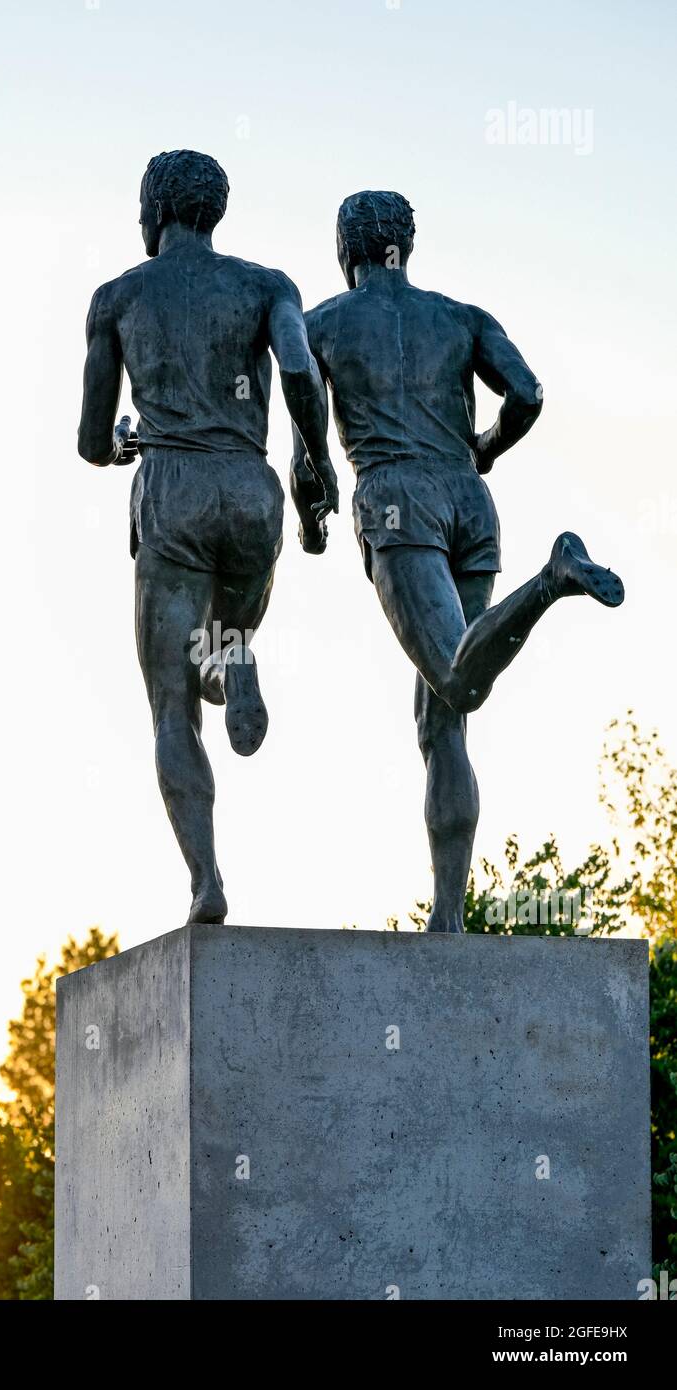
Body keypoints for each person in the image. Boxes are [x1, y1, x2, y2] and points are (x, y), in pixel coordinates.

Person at [293, 189, 623, 932]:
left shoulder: (321, 325)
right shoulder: (461, 317)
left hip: (395, 499)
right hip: (470, 501)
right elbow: (529, 394)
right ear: (403, 247)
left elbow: (309, 435)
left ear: (346, 251)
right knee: (442, 723)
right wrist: (485, 450)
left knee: (456, 681)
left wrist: (311, 502)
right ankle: (449, 917)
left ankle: (552, 579)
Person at [78, 150, 337, 924]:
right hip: (251, 493)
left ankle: (206, 881)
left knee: (169, 705)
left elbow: (92, 440)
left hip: (174, 491)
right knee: (217, 646)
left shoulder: (118, 297)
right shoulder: (267, 286)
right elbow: (299, 371)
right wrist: (315, 465)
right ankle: (237, 663)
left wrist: (129, 440)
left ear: (155, 211)